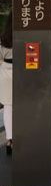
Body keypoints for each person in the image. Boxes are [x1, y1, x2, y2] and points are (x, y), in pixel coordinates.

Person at [0, 12, 13, 155]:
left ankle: (10, 139)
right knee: (21, 105)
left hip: (5, 73)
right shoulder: (24, 35)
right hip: (22, 72)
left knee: (8, 107)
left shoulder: (4, 38)